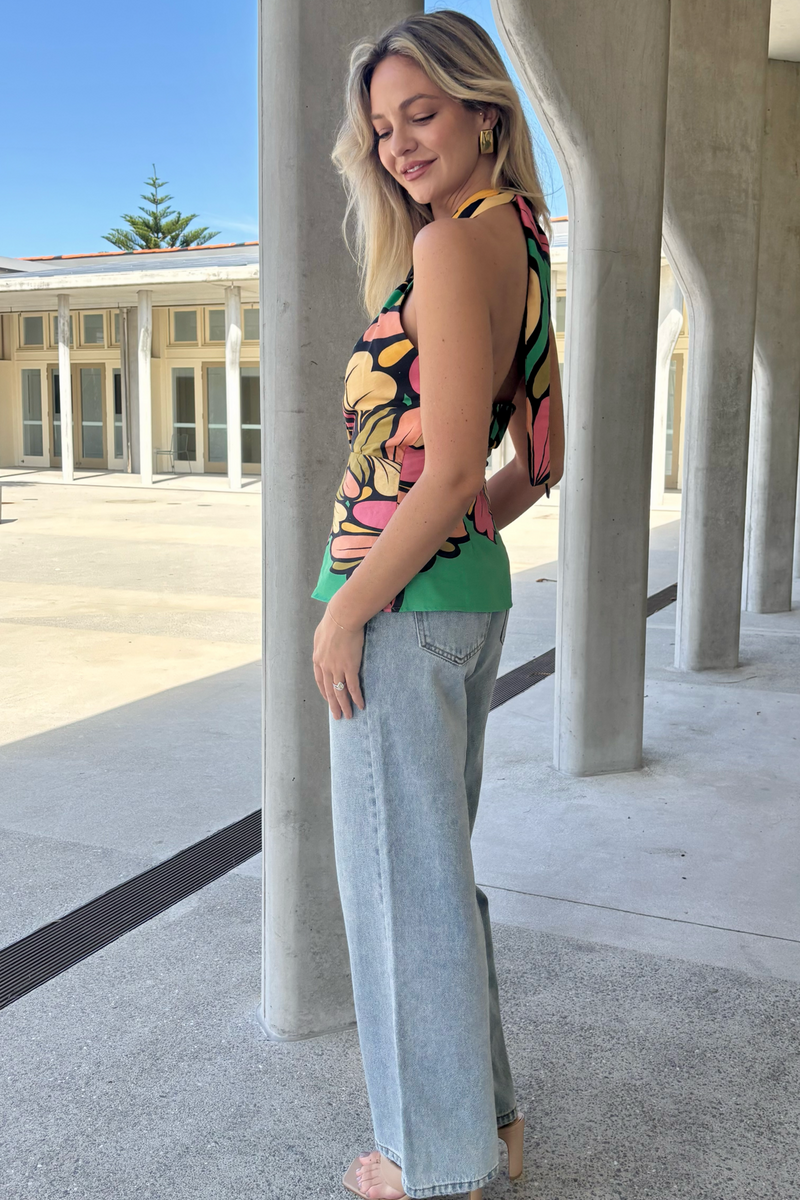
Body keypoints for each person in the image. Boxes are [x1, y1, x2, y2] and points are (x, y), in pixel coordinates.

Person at [310, 10, 564, 1200]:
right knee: (431, 881)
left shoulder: (454, 244)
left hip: (400, 611)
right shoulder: (520, 236)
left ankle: (433, 1163)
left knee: (396, 897)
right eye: (381, 127)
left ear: (481, 110)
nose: (400, 143)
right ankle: (486, 1127)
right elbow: (538, 460)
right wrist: (454, 543)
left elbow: (456, 469)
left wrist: (344, 611)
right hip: (449, 601)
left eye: (421, 113)